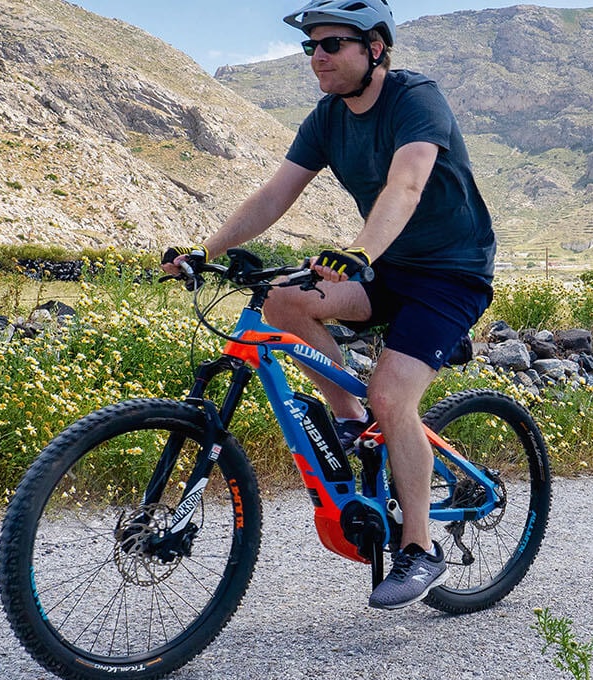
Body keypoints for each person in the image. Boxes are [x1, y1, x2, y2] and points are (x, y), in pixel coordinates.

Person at [161, 0, 496, 611]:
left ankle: (421, 549)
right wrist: (205, 250)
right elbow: (275, 193)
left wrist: (358, 251)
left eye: (332, 44)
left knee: (393, 397)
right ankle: (349, 420)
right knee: (284, 301)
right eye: (310, 46)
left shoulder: (415, 98)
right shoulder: (326, 117)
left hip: (450, 275)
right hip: (388, 270)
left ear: (375, 50)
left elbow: (407, 184)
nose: (317, 56)